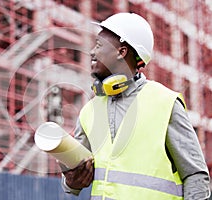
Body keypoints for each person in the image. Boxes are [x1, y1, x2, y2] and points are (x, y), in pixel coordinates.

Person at [60, 13, 211, 199]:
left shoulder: (164, 103)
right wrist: (70, 181)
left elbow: (195, 176)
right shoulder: (88, 112)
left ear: (121, 52)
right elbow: (75, 181)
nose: (92, 52)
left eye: (98, 45)